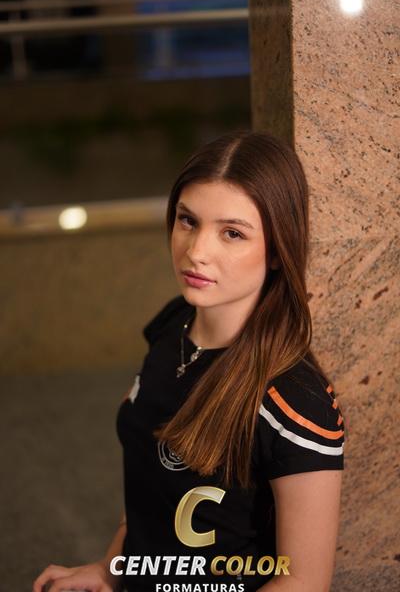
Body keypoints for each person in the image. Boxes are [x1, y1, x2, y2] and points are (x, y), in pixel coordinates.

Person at [33, 130, 345, 592]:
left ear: (279, 250)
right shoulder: (172, 325)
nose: (196, 252)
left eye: (232, 233)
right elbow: (150, 488)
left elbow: (302, 582)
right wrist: (110, 569)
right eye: (188, 220)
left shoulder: (295, 401)